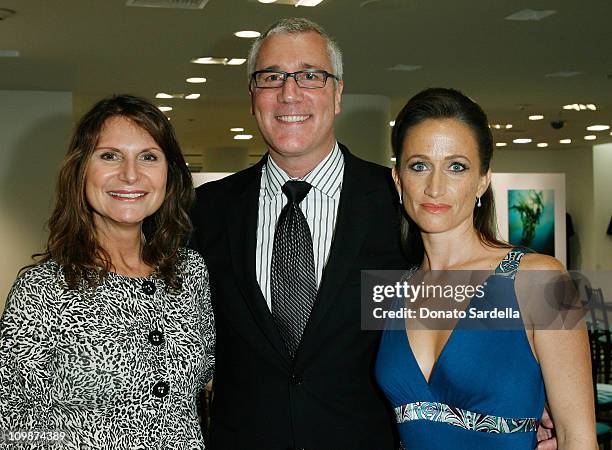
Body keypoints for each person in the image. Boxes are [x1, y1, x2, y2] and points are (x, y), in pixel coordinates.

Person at [190, 18, 408, 449]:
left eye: (310, 75)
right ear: (252, 98)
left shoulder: (398, 203)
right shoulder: (204, 210)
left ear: (338, 93)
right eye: (271, 77)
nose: (290, 93)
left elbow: (471, 308)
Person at [375, 87, 596, 449]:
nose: (435, 186)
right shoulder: (394, 290)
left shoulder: (539, 280)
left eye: (456, 167)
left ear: (482, 181)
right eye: (419, 166)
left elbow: (578, 440)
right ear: (399, 180)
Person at [0, 95, 215, 449]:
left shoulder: (190, 273)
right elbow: (10, 426)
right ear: (81, 169)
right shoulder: (43, 289)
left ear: (169, 173)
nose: (130, 174)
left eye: (148, 157)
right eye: (110, 156)